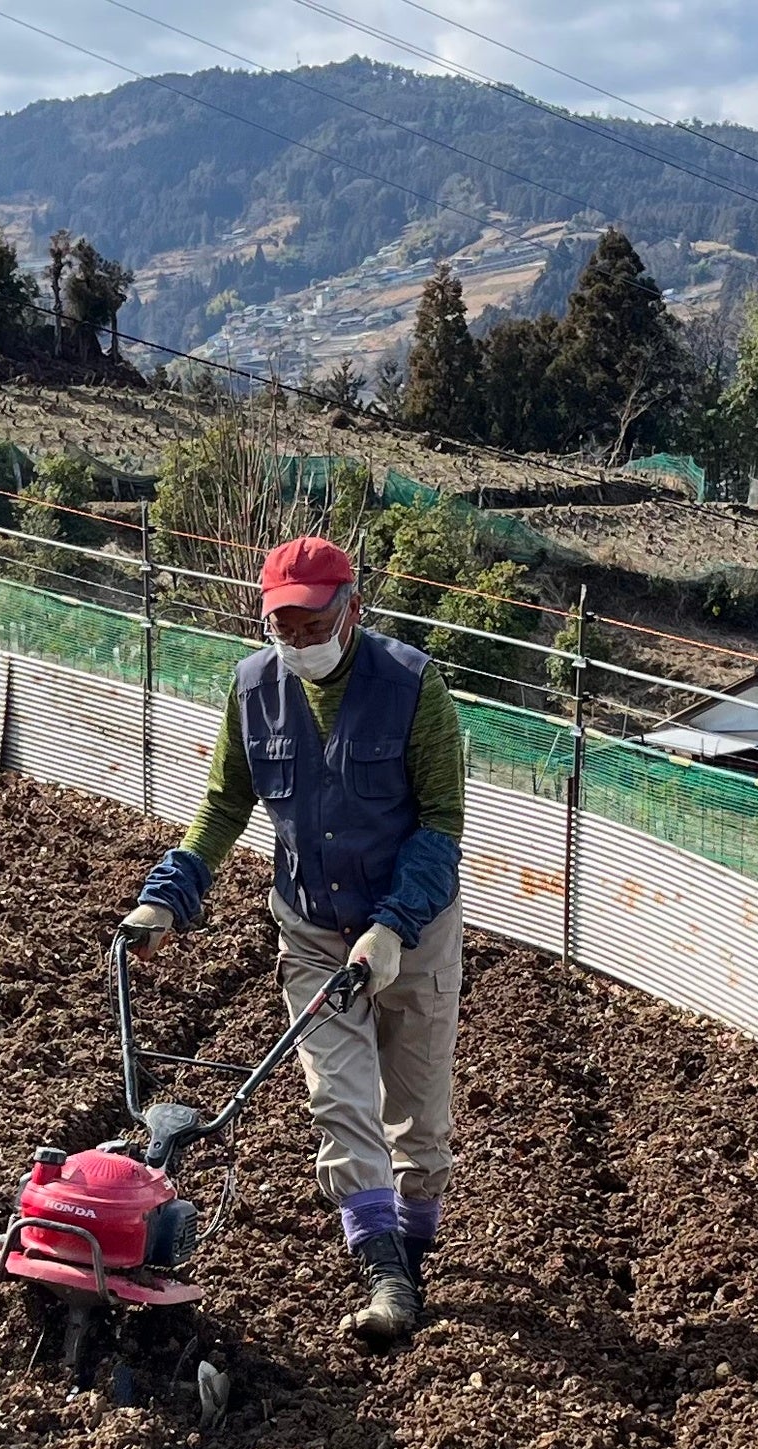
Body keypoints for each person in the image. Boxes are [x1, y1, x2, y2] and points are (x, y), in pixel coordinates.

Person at [121, 536, 465, 1350]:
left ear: (352, 609)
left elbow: (443, 824)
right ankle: (383, 1274)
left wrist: (393, 927)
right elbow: (222, 804)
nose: (301, 641)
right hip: (310, 925)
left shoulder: (415, 688)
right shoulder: (250, 690)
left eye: (315, 624)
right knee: (340, 1101)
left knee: (417, 1117)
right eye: (286, 627)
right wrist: (170, 893)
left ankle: (411, 1253)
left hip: (409, 927)